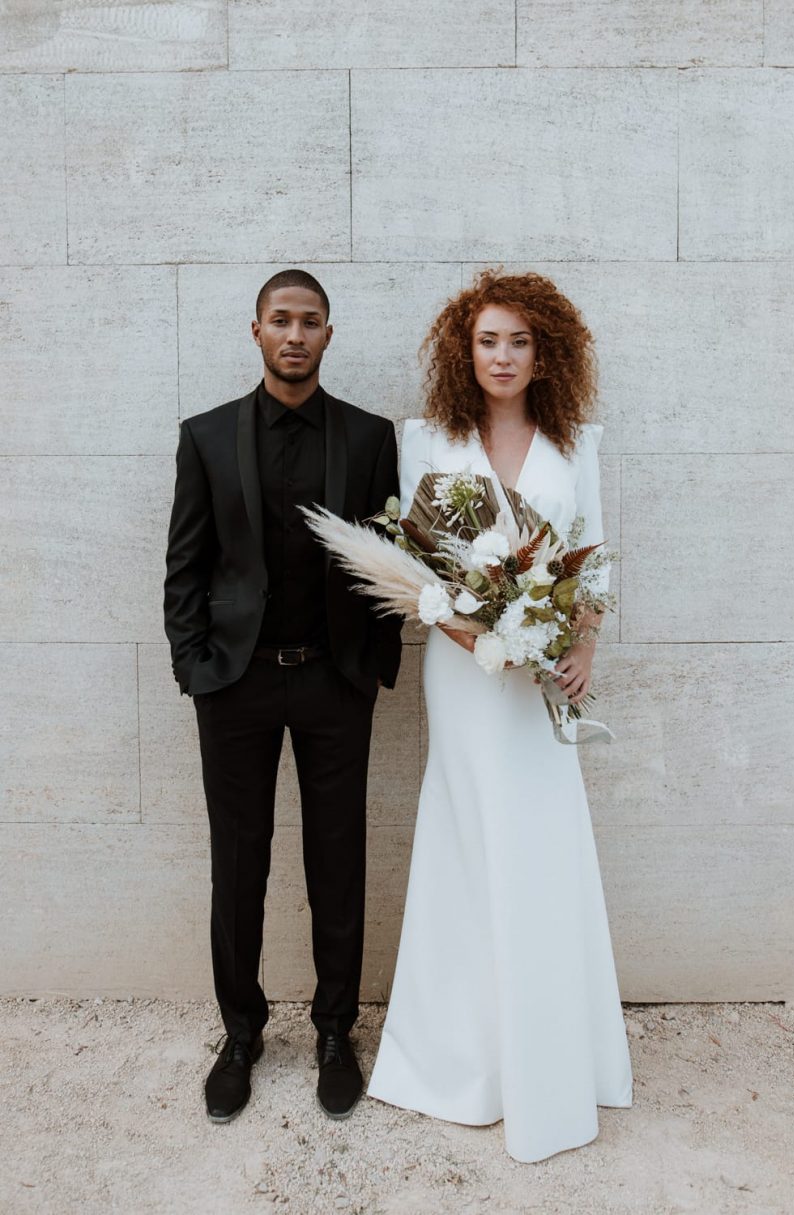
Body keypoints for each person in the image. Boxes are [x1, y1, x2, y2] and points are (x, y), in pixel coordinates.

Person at [367, 269, 632, 1162]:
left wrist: (580, 648)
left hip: (542, 685)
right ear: (464, 351)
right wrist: (476, 632)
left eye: (519, 341)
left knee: (542, 844)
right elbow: (416, 570)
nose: (504, 356)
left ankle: (557, 1059)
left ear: (544, 350)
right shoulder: (429, 440)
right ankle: (460, 1059)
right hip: (467, 674)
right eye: (488, 340)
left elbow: (593, 566)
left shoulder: (576, 445)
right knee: (469, 840)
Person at [163, 269, 402, 1124]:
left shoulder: (371, 437)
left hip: (335, 681)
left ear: (329, 334)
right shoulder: (205, 436)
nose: (294, 334)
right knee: (241, 860)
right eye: (280, 320)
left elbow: (388, 559)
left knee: (337, 860)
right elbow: (185, 565)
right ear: (256, 330)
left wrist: (374, 664)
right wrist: (195, 665)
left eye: (309, 322)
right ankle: (242, 1031)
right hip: (235, 684)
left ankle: (336, 1031)